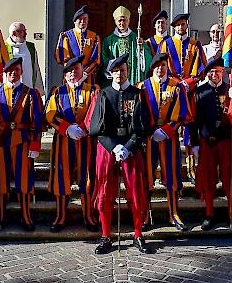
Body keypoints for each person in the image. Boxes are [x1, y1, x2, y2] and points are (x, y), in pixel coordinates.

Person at [89, 53, 154, 255]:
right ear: (110, 73)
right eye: (116, 71)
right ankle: (106, 236)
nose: (119, 74)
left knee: (136, 191)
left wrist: (128, 147)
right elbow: (96, 129)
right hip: (108, 148)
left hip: (130, 148)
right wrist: (113, 147)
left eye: (123, 70)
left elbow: (142, 127)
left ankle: (137, 235)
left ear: (128, 71)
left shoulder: (137, 94)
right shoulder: (103, 95)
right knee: (105, 191)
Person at [0, 57, 43, 231]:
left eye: (16, 70)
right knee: (1, 180)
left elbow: (37, 121)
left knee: (24, 180)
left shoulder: (31, 94)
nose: (13, 73)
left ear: (21, 72)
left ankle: (26, 216)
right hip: (1, 141)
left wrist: (35, 145)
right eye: (9, 71)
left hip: (23, 142)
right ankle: (0, 217)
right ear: (5, 73)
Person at [45, 55, 100, 233]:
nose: (72, 73)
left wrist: (83, 128)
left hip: (86, 142)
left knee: (87, 179)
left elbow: (95, 112)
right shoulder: (57, 92)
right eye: (69, 71)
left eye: (75, 69)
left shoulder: (93, 90)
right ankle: (60, 216)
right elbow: (50, 115)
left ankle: (88, 216)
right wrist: (67, 128)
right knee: (61, 178)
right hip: (63, 141)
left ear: (82, 71)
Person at [191, 57, 232, 232]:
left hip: (226, 140)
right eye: (211, 72)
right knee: (208, 180)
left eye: (218, 71)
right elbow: (193, 120)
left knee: (230, 178)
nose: (215, 74)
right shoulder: (200, 92)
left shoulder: (230, 90)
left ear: (223, 72)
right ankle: (209, 215)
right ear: (207, 74)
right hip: (207, 142)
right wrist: (194, 143)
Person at [137, 53, 191, 231]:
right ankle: (145, 214)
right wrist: (151, 131)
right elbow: (138, 114)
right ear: (152, 68)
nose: (160, 69)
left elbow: (182, 112)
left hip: (169, 137)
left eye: (163, 66)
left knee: (172, 175)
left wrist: (167, 130)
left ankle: (174, 213)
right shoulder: (142, 87)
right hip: (149, 138)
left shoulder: (177, 87)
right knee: (147, 176)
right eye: (157, 66)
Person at [158, 13, 207, 183]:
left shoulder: (195, 45)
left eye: (183, 24)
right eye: (178, 25)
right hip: (171, 93)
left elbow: (202, 67)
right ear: (173, 27)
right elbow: (160, 67)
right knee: (169, 127)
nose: (181, 27)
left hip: (189, 92)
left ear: (186, 25)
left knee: (190, 129)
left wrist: (189, 82)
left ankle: (192, 167)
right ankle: (167, 170)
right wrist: (174, 83)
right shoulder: (166, 44)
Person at [101, 6, 153, 85]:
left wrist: (141, 48)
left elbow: (147, 58)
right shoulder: (108, 41)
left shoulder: (136, 38)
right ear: (115, 22)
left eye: (124, 20)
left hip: (132, 78)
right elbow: (104, 59)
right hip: (115, 77)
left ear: (128, 21)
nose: (122, 23)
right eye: (119, 20)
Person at [55, 5, 101, 85]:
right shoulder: (66, 36)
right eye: (80, 19)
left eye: (85, 19)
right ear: (75, 21)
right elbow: (64, 58)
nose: (83, 21)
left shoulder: (94, 37)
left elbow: (96, 59)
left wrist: (85, 73)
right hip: (71, 76)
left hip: (88, 77)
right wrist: (74, 72)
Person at [5, 21, 44, 95]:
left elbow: (36, 68)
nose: (26, 34)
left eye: (25, 31)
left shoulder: (30, 47)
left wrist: (38, 89)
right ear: (13, 33)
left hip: (29, 87)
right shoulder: (3, 47)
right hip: (10, 90)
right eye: (22, 31)